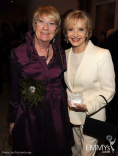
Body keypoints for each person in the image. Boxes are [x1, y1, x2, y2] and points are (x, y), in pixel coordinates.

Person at [9, 5, 73, 156]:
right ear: (34, 24)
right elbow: (14, 91)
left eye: (51, 23)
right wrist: (12, 120)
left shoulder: (60, 51)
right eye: (41, 21)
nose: (46, 27)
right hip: (30, 115)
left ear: (57, 28)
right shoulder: (18, 53)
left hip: (56, 112)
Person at [63, 10, 115, 156]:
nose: (75, 34)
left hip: (93, 116)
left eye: (80, 29)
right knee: (76, 152)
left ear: (88, 32)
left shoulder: (102, 54)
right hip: (72, 116)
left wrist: (89, 106)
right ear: (65, 32)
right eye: (71, 29)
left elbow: (109, 90)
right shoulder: (64, 55)